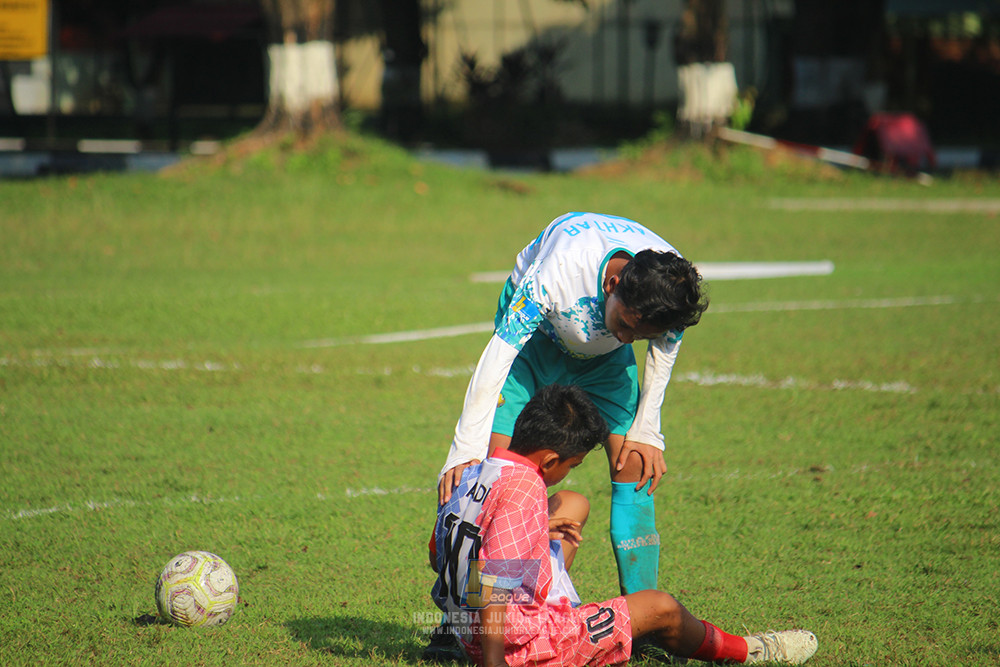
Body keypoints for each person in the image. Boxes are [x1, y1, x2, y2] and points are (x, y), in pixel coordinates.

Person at [429, 384, 818, 667]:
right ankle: (746, 651)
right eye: (573, 464)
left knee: (573, 504)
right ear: (550, 460)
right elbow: (494, 582)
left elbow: (439, 552)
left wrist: (529, 534)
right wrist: (493, 661)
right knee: (660, 607)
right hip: (515, 642)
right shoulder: (526, 488)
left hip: (465, 621)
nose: (569, 471)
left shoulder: (474, 470)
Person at [438, 211, 709, 598]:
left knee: (635, 461)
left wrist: (648, 429)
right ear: (613, 284)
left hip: (602, 363)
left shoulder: (670, 290)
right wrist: (464, 447)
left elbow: (662, 352)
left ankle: (641, 613)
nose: (631, 338)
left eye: (642, 334)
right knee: (498, 475)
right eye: (628, 324)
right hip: (532, 348)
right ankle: (463, 617)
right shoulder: (561, 270)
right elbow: (499, 353)